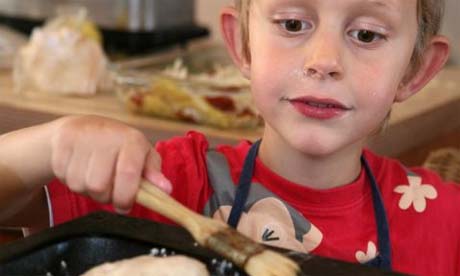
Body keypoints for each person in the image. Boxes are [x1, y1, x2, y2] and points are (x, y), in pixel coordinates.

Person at [0, 0, 458, 275]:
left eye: (366, 34)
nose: (324, 61)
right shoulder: (172, 183)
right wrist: (54, 144)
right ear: (242, 45)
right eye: (293, 24)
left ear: (415, 70)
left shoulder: (443, 224)